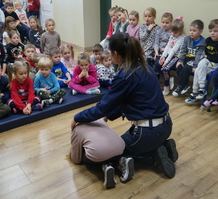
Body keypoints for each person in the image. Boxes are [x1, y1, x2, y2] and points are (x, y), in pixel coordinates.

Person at [71, 33, 178, 180]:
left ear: (115, 54)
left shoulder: (124, 76)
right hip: (167, 125)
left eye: (109, 52)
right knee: (129, 145)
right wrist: (108, 116)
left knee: (105, 154)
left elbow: (103, 106)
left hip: (147, 133)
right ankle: (161, 146)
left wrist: (77, 117)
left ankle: (152, 155)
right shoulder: (144, 66)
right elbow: (126, 100)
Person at [70, 119, 127, 189]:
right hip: (121, 148)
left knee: (88, 157)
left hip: (99, 154)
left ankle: (105, 166)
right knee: (110, 154)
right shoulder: (101, 121)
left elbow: (76, 160)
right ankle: (120, 161)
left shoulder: (76, 129)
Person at [185, 19, 218, 103]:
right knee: (198, 67)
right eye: (210, 31)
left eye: (215, 31)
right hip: (206, 63)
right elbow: (203, 54)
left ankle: (200, 89)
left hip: (216, 64)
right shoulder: (207, 40)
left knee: (200, 66)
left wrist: (207, 57)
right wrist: (206, 57)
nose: (212, 33)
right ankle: (196, 91)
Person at [172, 19, 206, 97]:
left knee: (186, 68)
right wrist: (180, 60)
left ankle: (180, 87)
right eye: (190, 30)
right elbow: (183, 50)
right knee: (178, 67)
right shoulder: (187, 38)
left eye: (194, 30)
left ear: (200, 31)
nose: (191, 32)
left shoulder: (202, 41)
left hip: (195, 60)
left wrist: (195, 66)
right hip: (187, 58)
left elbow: (199, 55)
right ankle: (186, 84)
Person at [158, 17, 185, 95]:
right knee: (159, 64)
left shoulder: (181, 39)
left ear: (180, 31)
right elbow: (168, 46)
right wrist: (163, 56)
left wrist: (166, 61)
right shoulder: (172, 35)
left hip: (177, 57)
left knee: (165, 69)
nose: (172, 34)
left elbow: (174, 51)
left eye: (175, 32)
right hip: (171, 55)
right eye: (171, 31)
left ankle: (166, 86)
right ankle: (169, 79)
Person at [153, 12, 173, 86]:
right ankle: (168, 78)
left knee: (159, 65)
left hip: (168, 53)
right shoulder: (159, 31)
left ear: (171, 22)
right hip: (159, 51)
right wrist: (156, 52)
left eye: (167, 22)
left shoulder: (173, 32)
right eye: (163, 22)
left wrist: (166, 50)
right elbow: (156, 43)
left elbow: (172, 45)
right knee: (156, 64)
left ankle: (166, 80)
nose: (164, 24)